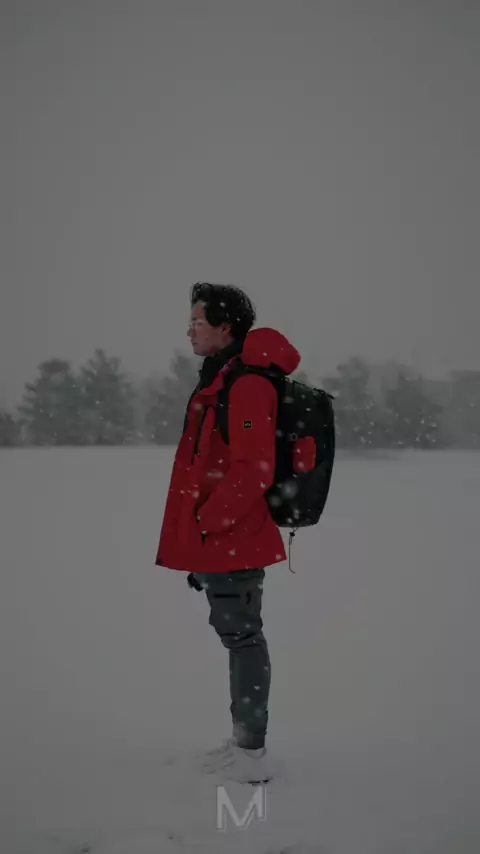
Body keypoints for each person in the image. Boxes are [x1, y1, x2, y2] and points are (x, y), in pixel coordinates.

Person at [155, 282, 301, 782]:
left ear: (226, 326)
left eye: (197, 322)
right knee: (238, 635)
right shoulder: (221, 378)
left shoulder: (246, 384)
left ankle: (251, 753)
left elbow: (253, 468)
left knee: (243, 638)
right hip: (222, 535)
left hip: (233, 534)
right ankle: (244, 743)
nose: (190, 331)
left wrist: (207, 522)